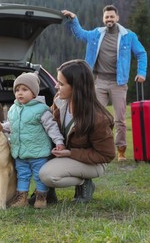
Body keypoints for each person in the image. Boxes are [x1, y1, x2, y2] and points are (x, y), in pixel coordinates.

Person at [61, 5, 147, 161]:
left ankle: (120, 150)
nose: (109, 19)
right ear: (103, 18)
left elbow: (141, 53)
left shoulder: (129, 36)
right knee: (92, 115)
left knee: (120, 118)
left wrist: (141, 73)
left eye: (112, 17)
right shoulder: (96, 34)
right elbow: (80, 34)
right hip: (99, 81)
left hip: (118, 83)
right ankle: (92, 147)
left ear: (117, 18)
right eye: (107, 17)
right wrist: (74, 19)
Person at [38, 59, 116, 203]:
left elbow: (107, 155)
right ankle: (46, 193)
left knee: (47, 175)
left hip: (93, 163)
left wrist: (70, 153)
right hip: (67, 154)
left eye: (61, 84)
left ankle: (84, 183)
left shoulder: (98, 118)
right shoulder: (59, 101)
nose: (56, 86)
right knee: (33, 157)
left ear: (76, 87)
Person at [2, 71, 65, 209]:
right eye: (17, 90)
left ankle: (41, 198)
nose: (20, 93)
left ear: (34, 93)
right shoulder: (13, 109)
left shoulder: (41, 109)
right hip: (20, 153)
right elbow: (11, 125)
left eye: (24, 90)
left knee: (39, 176)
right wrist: (0, 127)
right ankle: (21, 198)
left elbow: (51, 127)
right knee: (22, 175)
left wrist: (59, 142)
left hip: (39, 153)